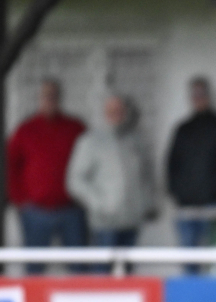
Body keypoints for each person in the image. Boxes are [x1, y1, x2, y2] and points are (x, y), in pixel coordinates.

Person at [66, 94, 158, 272]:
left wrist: (147, 204)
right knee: (103, 273)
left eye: (120, 110)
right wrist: (99, 203)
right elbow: (75, 180)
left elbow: (147, 175)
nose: (116, 114)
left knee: (128, 273)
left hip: (132, 220)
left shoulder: (136, 140)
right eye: (111, 110)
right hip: (105, 223)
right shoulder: (90, 141)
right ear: (104, 113)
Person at [7, 79, 87, 273]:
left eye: (54, 96)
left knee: (79, 266)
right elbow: (9, 166)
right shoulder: (26, 130)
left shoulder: (75, 128)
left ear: (60, 98)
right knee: (34, 267)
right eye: (46, 96)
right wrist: (20, 200)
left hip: (70, 209)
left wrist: (85, 198)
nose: (50, 100)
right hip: (36, 211)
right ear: (39, 99)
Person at [168, 77, 216, 273]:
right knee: (189, 258)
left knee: (215, 258)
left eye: (201, 94)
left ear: (208, 96)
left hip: (213, 205)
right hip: (186, 205)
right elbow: (171, 165)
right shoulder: (183, 129)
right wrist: (176, 192)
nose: (198, 98)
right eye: (195, 95)